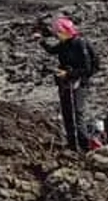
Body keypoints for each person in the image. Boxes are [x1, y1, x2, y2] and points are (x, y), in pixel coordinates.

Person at [33, 16, 97, 152]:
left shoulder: (80, 43)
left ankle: (84, 146)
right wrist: (41, 41)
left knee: (77, 114)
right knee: (67, 113)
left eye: (58, 33)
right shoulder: (65, 43)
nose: (57, 36)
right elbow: (52, 50)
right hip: (65, 83)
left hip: (79, 83)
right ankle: (72, 145)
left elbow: (87, 68)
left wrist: (68, 74)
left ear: (66, 31)